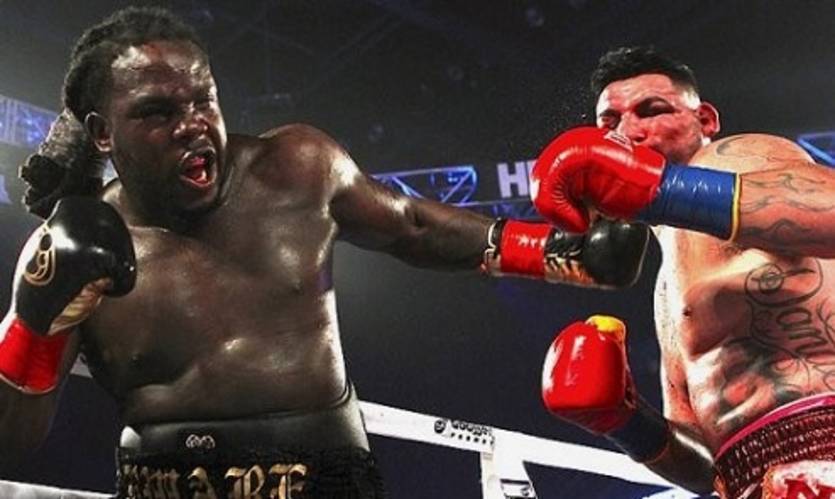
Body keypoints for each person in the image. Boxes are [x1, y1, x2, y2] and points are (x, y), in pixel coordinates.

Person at [0, 8, 651, 499]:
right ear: (102, 133)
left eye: (204, 99)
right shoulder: (72, 249)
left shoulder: (296, 168)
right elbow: (12, 439)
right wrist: (35, 324)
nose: (192, 124)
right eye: (157, 112)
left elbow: (411, 225)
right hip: (159, 483)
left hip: (321, 477)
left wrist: (565, 255)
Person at [533, 45, 835, 498]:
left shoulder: (738, 157)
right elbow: (707, 468)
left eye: (651, 111)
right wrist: (625, 421)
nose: (627, 133)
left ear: (705, 120)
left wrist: (659, 189)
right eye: (609, 124)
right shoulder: (666, 281)